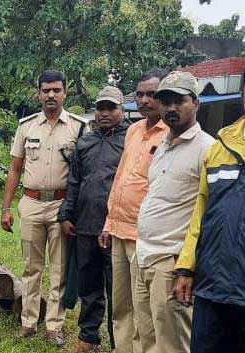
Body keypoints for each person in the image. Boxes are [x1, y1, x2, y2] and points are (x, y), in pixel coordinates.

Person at [174, 57, 245, 353]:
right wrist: (186, 267)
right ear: (243, 98)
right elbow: (201, 211)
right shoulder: (221, 146)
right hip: (213, 291)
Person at [2, 69, 87, 347]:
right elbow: (14, 169)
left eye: (56, 90)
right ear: (38, 93)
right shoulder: (26, 126)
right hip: (31, 203)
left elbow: (82, 173)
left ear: (65, 93)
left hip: (61, 206)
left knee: (59, 268)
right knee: (31, 267)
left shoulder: (78, 127)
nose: (51, 95)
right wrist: (6, 208)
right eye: (46, 90)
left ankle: (54, 325)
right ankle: (28, 321)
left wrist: (75, 210)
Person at [134, 70, 214, 353]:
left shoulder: (208, 149)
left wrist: (187, 268)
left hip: (171, 261)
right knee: (146, 338)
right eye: (165, 101)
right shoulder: (162, 145)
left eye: (178, 101)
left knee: (172, 345)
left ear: (196, 103)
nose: (170, 108)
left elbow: (208, 214)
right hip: (143, 256)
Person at [100, 68, 169, 353]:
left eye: (151, 94)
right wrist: (108, 221)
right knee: (121, 305)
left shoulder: (170, 134)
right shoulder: (133, 130)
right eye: (140, 94)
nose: (144, 100)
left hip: (145, 237)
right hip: (118, 230)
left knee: (145, 311)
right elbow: (121, 178)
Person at [58, 86, 130, 352]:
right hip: (85, 226)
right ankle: (88, 337)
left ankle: (118, 342)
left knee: (118, 290)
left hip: (117, 228)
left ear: (122, 110)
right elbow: (74, 180)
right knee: (89, 286)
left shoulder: (130, 140)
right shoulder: (85, 141)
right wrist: (66, 214)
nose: (104, 113)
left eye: (111, 107)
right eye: (100, 108)